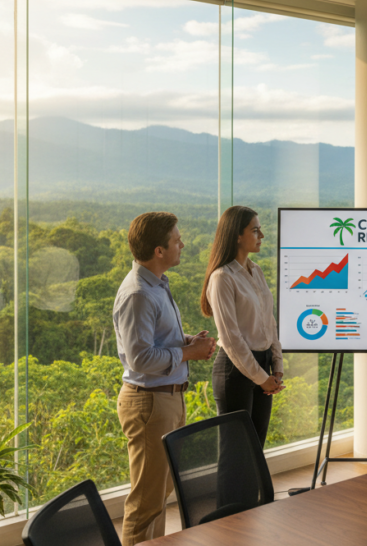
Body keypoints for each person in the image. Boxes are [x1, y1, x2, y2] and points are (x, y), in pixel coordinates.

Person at [114, 211, 217, 546]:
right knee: (146, 502)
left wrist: (187, 341)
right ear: (159, 250)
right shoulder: (139, 294)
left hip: (166, 399)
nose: (182, 244)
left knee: (159, 495)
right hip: (150, 403)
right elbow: (141, 359)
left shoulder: (156, 286)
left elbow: (153, 343)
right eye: (176, 240)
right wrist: (188, 353)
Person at [201, 205, 284, 447]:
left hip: (262, 362)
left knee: (256, 446)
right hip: (235, 371)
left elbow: (269, 322)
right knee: (236, 451)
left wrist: (276, 365)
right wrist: (261, 377)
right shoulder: (222, 278)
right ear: (237, 235)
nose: (262, 236)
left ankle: (254, 488)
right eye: (255, 230)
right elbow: (230, 338)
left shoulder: (256, 271)